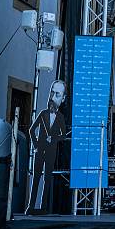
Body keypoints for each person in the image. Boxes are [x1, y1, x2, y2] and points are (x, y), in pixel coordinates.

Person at [27, 80, 68, 214]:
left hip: (51, 151)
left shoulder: (60, 117)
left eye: (57, 94)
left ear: (63, 99)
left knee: (47, 179)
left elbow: (63, 135)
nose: (52, 97)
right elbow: (31, 130)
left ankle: (43, 207)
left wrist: (54, 138)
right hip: (40, 150)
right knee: (36, 177)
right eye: (51, 93)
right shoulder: (43, 113)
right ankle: (31, 206)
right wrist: (36, 145)